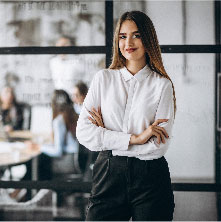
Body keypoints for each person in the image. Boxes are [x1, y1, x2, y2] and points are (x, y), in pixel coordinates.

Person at [76, 11, 176, 221]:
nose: (128, 42)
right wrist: (136, 138)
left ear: (148, 39)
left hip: (150, 178)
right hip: (107, 173)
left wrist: (108, 137)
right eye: (122, 36)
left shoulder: (162, 85)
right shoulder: (103, 79)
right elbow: (84, 133)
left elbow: (158, 147)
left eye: (136, 35)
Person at [27, 90, 79, 180]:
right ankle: (21, 191)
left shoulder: (59, 121)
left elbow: (58, 151)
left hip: (69, 163)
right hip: (79, 161)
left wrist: (39, 147)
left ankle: (29, 191)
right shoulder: (75, 116)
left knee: (36, 162)